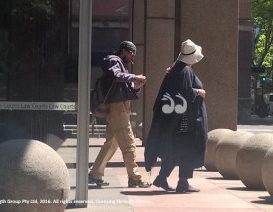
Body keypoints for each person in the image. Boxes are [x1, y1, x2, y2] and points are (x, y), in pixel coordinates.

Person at [144, 39, 208, 192]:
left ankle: (162, 177)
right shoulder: (184, 71)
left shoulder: (175, 69)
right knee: (187, 148)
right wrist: (199, 92)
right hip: (185, 119)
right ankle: (183, 182)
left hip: (174, 118)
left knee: (174, 148)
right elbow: (183, 93)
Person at [88, 41, 151, 188]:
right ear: (124, 51)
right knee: (129, 144)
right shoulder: (114, 60)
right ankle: (135, 177)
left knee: (111, 144)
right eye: (131, 52)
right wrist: (135, 77)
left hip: (120, 108)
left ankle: (95, 174)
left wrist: (136, 87)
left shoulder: (121, 65)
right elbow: (116, 75)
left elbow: (122, 85)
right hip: (118, 109)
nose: (133, 55)